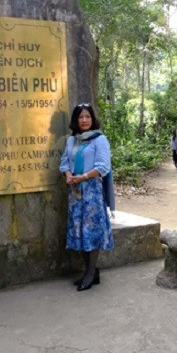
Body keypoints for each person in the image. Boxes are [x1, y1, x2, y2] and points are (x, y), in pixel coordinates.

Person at [59, 103, 114, 291]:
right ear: (76, 120)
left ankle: (90, 273)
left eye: (87, 117)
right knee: (80, 231)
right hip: (75, 194)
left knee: (91, 231)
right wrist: (68, 175)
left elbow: (103, 166)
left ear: (92, 119)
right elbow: (65, 161)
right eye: (81, 117)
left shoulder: (99, 140)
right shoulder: (71, 141)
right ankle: (91, 271)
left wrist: (82, 177)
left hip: (92, 193)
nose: (84, 120)